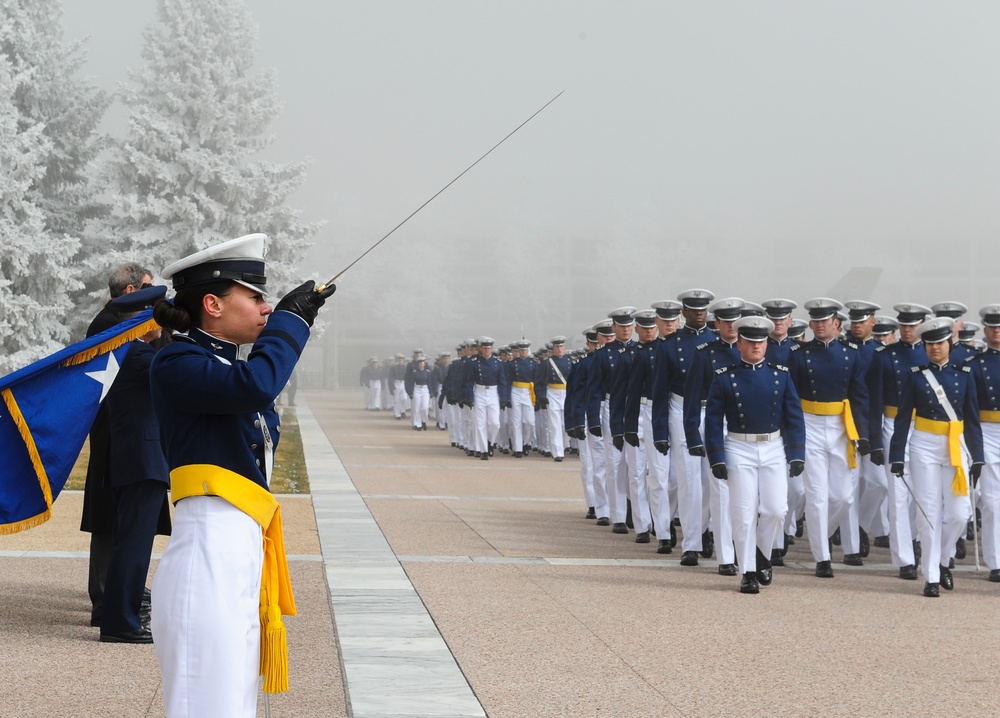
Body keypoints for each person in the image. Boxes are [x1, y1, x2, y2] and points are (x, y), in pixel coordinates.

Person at [149, 234, 334, 716]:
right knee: (207, 701)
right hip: (209, 543)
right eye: (254, 297)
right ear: (212, 303)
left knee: (233, 698)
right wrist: (293, 322)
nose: (266, 308)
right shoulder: (178, 361)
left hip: (240, 540)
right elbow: (257, 385)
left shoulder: (220, 364)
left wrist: (289, 323)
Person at [705, 316, 805, 594]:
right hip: (739, 446)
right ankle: (748, 571)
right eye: (751, 342)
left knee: (776, 510)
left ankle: (762, 553)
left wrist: (797, 453)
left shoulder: (780, 374)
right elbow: (712, 420)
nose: (757, 346)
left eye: (761, 342)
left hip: (773, 446)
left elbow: (794, 417)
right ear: (739, 344)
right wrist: (717, 457)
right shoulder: (725, 377)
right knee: (744, 513)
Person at [889, 316, 983, 597]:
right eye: (929, 344)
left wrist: (977, 456)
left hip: (955, 444)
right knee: (928, 513)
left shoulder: (966, 373)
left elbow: (973, 419)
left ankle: (943, 561)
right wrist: (896, 454)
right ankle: (930, 577)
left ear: (949, 343)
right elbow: (903, 418)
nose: (934, 349)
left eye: (939, 343)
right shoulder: (915, 374)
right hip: (924, 445)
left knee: (959, 513)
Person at [82, 261, 154, 628]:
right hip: (116, 434)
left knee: (122, 516)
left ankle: (121, 589)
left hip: (122, 432)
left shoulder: (120, 320)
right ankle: (107, 596)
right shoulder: (112, 325)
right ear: (131, 291)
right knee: (109, 517)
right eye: (148, 287)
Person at [99, 285, 172, 644]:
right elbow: (180, 367)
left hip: (136, 458)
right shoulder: (140, 357)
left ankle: (121, 616)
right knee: (133, 545)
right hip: (143, 459)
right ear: (146, 321)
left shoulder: (127, 354)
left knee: (131, 543)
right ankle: (121, 621)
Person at [788, 298, 870, 578]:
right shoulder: (799, 354)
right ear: (810, 324)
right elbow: (791, 396)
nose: (820, 326)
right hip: (808, 422)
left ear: (836, 323)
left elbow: (859, 396)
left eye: (825, 321)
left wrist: (863, 434)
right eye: (816, 321)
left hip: (840, 426)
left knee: (844, 497)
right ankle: (822, 557)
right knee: (817, 495)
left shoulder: (851, 354)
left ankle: (821, 531)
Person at [969, 305, 1000, 583]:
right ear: (985, 330)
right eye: (992, 327)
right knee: (991, 501)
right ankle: (997, 561)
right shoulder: (976, 365)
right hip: (988, 430)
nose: (997, 331)